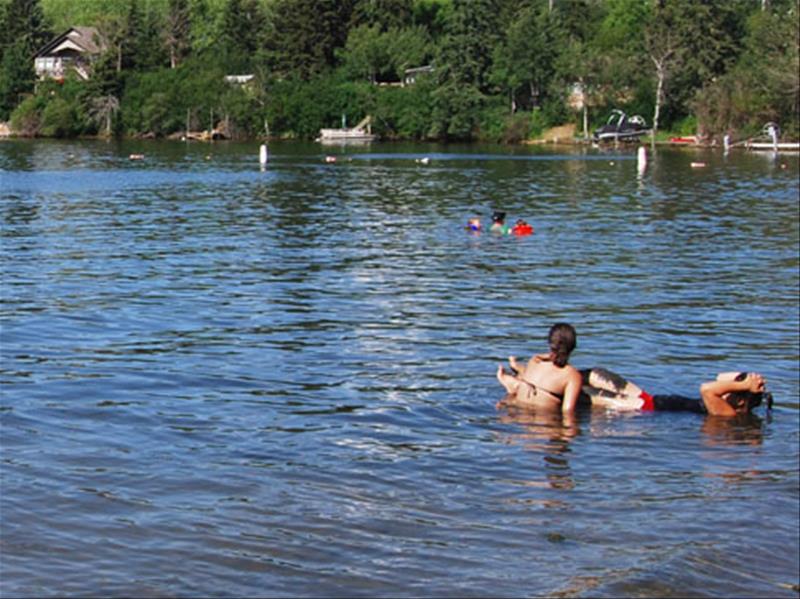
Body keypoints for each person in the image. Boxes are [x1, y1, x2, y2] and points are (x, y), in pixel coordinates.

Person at [581, 367, 772, 416]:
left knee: (586, 395)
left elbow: (706, 388)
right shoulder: (729, 402)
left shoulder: (727, 413)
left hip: (644, 409)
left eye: (734, 388)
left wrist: (745, 386)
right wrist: (747, 379)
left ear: (739, 401)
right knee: (596, 373)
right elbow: (720, 377)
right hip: (647, 398)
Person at [496, 323, 583, 415]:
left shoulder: (534, 362)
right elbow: (568, 412)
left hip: (520, 420)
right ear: (573, 347)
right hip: (546, 424)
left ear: (550, 343)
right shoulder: (572, 376)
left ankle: (513, 384)